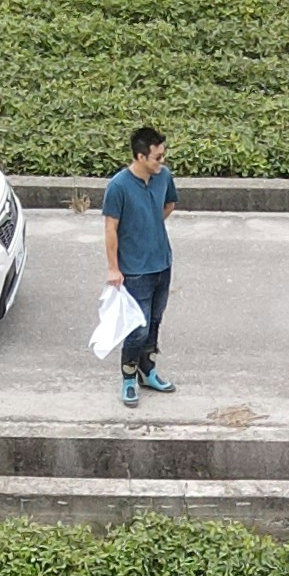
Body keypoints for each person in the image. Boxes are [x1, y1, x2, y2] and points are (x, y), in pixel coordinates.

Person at [102, 124, 175, 406]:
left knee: (155, 321)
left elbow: (168, 205)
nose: (162, 162)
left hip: (162, 263)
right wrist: (113, 268)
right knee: (137, 328)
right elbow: (110, 228)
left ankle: (148, 369)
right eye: (157, 157)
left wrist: (150, 224)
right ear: (141, 157)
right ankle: (129, 376)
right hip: (134, 270)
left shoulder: (163, 177)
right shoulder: (118, 187)